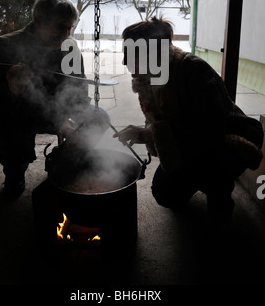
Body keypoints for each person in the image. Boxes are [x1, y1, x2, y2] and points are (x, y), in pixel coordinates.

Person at [113, 17, 264, 237]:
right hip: (192, 142)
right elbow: (157, 121)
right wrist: (150, 133)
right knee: (165, 194)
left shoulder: (193, 70)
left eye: (132, 53)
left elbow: (211, 130)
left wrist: (149, 134)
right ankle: (197, 178)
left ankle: (220, 197)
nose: (125, 61)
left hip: (229, 139)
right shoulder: (151, 77)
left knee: (211, 169)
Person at [0, 0, 109, 195]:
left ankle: (63, 159)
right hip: (18, 115)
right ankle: (14, 172)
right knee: (13, 140)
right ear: (38, 21)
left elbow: (79, 94)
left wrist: (67, 119)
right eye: (60, 27)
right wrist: (11, 88)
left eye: (70, 27)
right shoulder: (6, 46)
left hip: (56, 113)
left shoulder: (69, 48)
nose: (66, 34)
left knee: (98, 117)